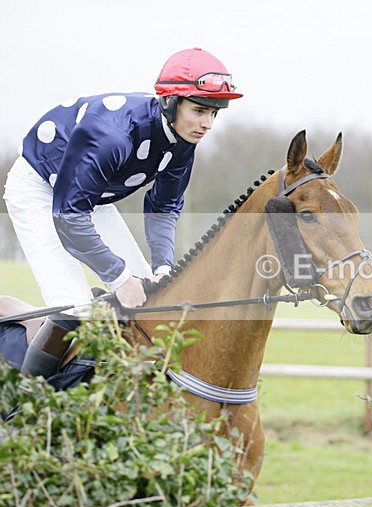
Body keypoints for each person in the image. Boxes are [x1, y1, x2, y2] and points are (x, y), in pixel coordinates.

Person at [2, 47, 242, 378]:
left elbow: (163, 207)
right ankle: (30, 402)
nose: (207, 124)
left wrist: (161, 266)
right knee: (75, 308)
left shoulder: (184, 141)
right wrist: (118, 277)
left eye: (214, 113)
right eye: (200, 110)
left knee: (150, 299)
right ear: (170, 102)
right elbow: (69, 218)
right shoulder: (111, 135)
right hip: (40, 190)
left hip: (91, 199)